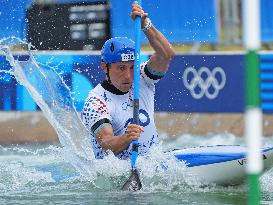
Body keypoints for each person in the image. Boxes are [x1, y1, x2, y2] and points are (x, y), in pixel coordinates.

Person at [81, 1, 175, 159]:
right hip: (115, 174)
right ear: (105, 67)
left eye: (132, 67)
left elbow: (166, 55)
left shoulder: (142, 77)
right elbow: (108, 143)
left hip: (150, 165)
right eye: (121, 68)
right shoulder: (96, 102)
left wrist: (146, 25)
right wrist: (126, 137)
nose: (129, 76)